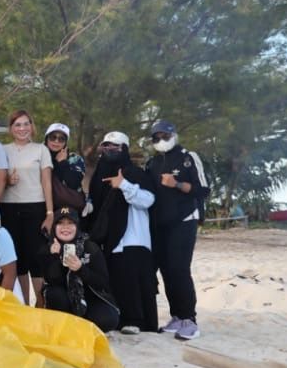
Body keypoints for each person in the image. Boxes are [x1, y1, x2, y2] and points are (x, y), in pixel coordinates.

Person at [85, 131, 159, 334]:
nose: (110, 150)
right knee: (117, 280)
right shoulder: (99, 175)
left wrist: (124, 185)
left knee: (135, 280)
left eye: (115, 147)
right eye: (106, 146)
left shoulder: (135, 173)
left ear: (124, 149)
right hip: (109, 240)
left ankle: (138, 321)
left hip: (133, 237)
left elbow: (148, 200)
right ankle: (122, 320)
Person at [145, 119, 209, 341]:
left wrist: (177, 184)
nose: (161, 140)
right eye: (156, 137)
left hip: (184, 220)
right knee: (166, 270)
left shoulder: (188, 157)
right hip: (159, 224)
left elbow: (203, 189)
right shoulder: (152, 163)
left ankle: (189, 319)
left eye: (165, 135)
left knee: (179, 269)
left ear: (173, 135)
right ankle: (177, 316)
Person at [0, 110, 55, 306]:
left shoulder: (41, 150)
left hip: (35, 207)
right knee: (18, 258)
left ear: (32, 126)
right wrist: (7, 181)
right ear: (11, 128)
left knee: (36, 257)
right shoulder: (2, 150)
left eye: (26, 124)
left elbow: (46, 182)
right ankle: (23, 304)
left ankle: (40, 303)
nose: (22, 128)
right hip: (8, 208)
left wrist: (50, 213)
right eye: (17, 124)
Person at [40, 208, 120, 333]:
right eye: (60, 223)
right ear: (54, 227)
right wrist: (55, 257)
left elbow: (103, 282)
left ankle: (79, 324)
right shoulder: (48, 249)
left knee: (108, 319)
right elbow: (52, 280)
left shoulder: (90, 247)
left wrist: (81, 269)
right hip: (64, 300)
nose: (65, 227)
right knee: (54, 294)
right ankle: (70, 325)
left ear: (77, 226)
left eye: (70, 223)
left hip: (89, 298)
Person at [44, 123, 87, 214]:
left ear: (66, 142)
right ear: (46, 138)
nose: (56, 141)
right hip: (41, 206)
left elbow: (74, 184)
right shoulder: (38, 157)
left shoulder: (75, 159)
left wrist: (62, 163)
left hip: (67, 210)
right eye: (53, 137)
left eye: (61, 139)